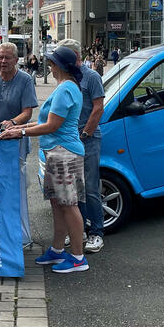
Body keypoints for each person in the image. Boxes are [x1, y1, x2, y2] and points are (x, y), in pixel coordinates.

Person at [0, 46, 88, 274]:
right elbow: (45, 121)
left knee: (69, 204)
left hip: (63, 152)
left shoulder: (66, 89)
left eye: (52, 62)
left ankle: (78, 257)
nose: (49, 65)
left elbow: (52, 126)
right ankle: (57, 250)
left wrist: (21, 132)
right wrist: (19, 126)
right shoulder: (65, 87)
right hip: (56, 152)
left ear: (60, 66)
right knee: (58, 204)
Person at [57, 39, 106, 254]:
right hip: (70, 140)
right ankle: (81, 231)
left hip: (88, 138)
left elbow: (98, 109)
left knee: (91, 188)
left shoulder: (92, 77)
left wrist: (85, 133)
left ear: (75, 56)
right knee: (75, 189)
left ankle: (97, 233)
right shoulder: (66, 78)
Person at [0, 43, 39, 147]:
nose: (3, 61)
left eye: (8, 58)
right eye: (0, 57)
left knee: (15, 162)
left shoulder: (25, 80)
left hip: (14, 135)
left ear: (16, 60)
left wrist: (13, 122)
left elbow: (27, 112)